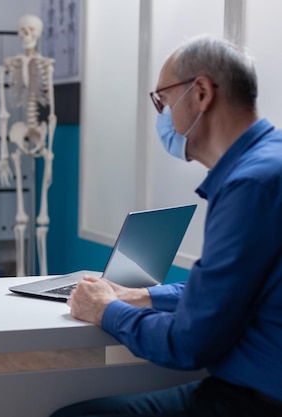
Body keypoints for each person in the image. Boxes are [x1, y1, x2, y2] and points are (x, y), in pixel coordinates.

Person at [51, 35, 282, 416]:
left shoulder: (250, 184)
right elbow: (231, 284)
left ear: (202, 93)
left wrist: (106, 310)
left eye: (163, 101)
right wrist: (143, 296)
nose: (163, 117)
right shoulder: (268, 163)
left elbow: (188, 343)